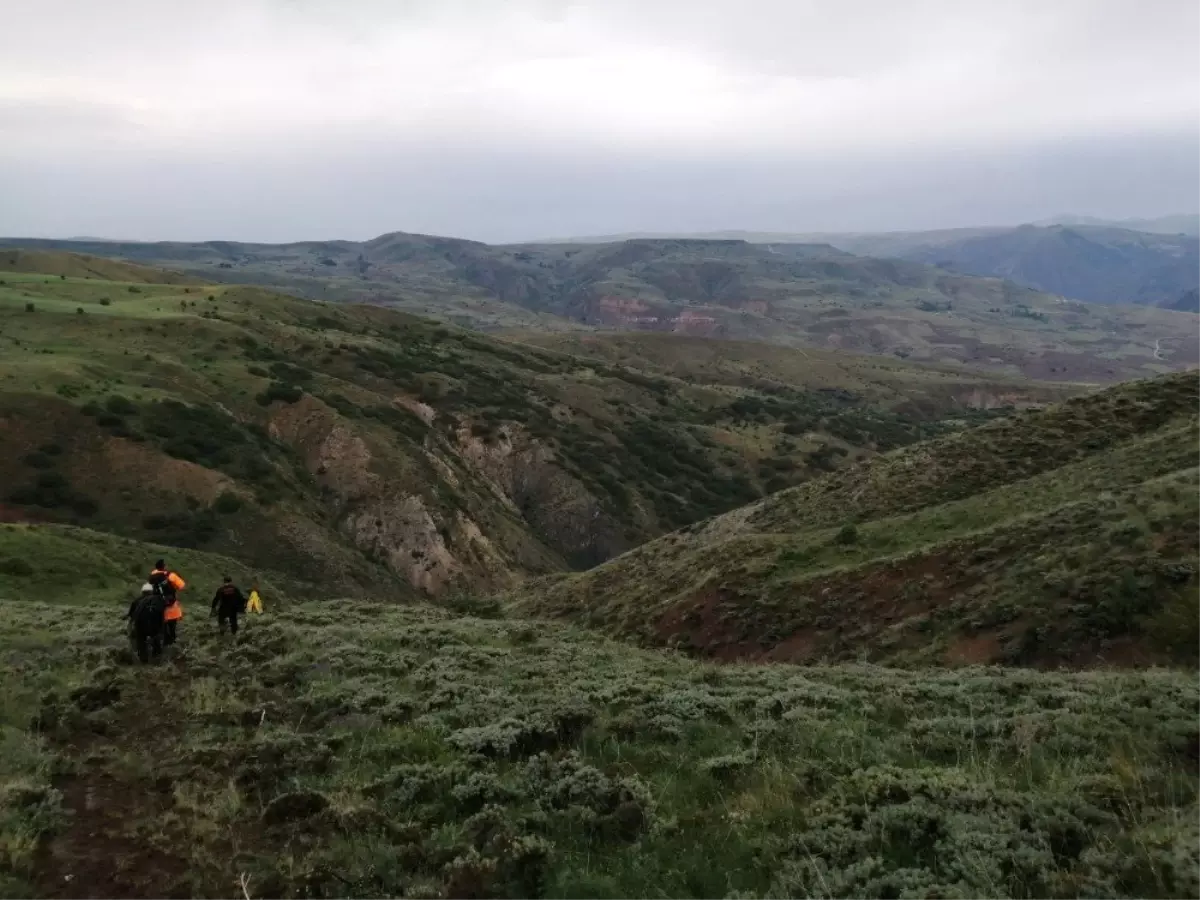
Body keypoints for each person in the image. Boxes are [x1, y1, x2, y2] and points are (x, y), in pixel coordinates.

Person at [149, 559, 186, 647]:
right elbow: (182, 585)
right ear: (164, 566)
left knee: (161, 628)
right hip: (170, 607)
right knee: (172, 628)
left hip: (156, 605)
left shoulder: (152, 575)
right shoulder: (170, 575)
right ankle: (171, 644)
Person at [125, 582, 165, 663]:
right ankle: (157, 657)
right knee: (156, 638)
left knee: (140, 640)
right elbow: (161, 613)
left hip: (140, 625)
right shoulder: (157, 600)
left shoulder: (136, 601)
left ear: (142, 592)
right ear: (151, 591)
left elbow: (131, 615)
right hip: (154, 625)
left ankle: (143, 659)